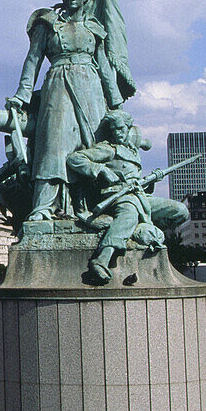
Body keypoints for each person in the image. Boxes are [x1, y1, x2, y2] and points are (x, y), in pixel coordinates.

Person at [8, 0, 133, 221]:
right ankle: (44, 206)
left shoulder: (93, 28)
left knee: (91, 147)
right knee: (53, 145)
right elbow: (32, 61)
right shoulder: (49, 24)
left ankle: (90, 206)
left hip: (92, 90)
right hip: (59, 86)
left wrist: (116, 103)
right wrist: (22, 95)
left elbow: (105, 68)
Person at [67, 110, 189, 285]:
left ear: (128, 128)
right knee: (129, 214)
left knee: (180, 211)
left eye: (121, 129)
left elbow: (136, 180)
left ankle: (148, 233)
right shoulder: (108, 149)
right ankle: (102, 259)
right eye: (114, 130)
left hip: (140, 198)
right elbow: (74, 158)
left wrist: (151, 181)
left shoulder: (133, 151)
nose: (118, 133)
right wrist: (102, 170)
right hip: (118, 197)